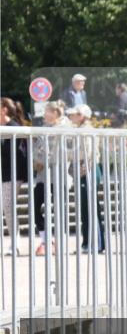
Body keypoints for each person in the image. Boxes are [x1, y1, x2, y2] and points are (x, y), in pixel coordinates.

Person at [32, 101, 73, 256]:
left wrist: (43, 159)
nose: (44, 114)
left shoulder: (66, 128)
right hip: (43, 176)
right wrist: (37, 161)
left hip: (59, 176)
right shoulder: (44, 128)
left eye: (47, 111)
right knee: (35, 207)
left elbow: (63, 153)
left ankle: (59, 242)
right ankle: (45, 240)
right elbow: (36, 149)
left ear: (55, 113)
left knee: (59, 210)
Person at [67, 105, 105, 252]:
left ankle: (97, 243)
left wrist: (83, 168)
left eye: (75, 114)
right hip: (83, 170)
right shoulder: (79, 129)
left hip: (88, 169)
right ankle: (88, 242)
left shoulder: (86, 130)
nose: (71, 117)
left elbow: (88, 153)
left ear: (81, 116)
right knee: (85, 208)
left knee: (90, 207)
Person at [1, 98, 29, 238]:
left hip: (12, 174)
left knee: (8, 206)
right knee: (8, 206)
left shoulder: (13, 126)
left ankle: (15, 241)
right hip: (5, 173)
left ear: (4, 110)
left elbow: (13, 152)